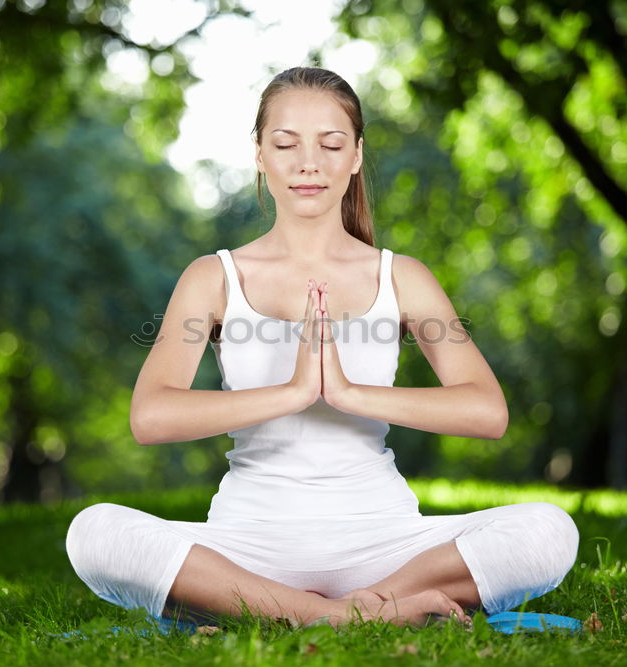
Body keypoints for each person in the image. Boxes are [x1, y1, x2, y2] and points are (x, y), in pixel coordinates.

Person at [65, 66, 578, 628]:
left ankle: (330, 608)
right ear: (260, 154)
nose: (308, 162)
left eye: (331, 144)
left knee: (549, 532)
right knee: (95, 533)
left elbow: (486, 410)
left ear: (356, 156)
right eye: (285, 143)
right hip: (248, 548)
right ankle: (348, 616)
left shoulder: (402, 277)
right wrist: (293, 392)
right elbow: (151, 416)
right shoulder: (212, 277)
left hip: (386, 544)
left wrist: (348, 392)